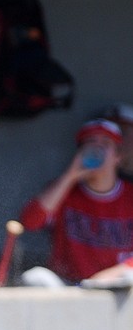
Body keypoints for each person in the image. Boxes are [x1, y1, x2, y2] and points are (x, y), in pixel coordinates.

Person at [17, 118, 133, 288]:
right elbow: (29, 222)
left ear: (118, 155)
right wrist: (71, 175)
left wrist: (113, 273)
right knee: (35, 277)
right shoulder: (64, 190)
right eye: (91, 143)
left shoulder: (130, 195)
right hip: (71, 287)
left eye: (105, 143)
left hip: (117, 286)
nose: (97, 148)